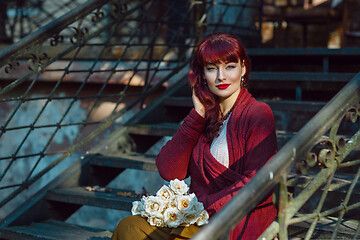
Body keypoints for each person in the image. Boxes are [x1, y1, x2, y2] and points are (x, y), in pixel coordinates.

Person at [111, 32, 278, 240]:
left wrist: (203, 207)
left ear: (243, 68)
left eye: (229, 66)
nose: (221, 76)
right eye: (211, 68)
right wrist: (197, 115)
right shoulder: (205, 117)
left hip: (236, 220)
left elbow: (259, 182)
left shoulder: (257, 113)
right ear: (203, 75)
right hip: (199, 218)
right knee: (130, 228)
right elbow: (168, 169)